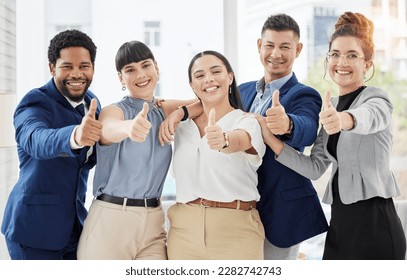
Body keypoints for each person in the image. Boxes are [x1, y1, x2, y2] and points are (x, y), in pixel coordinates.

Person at [257, 12, 406, 260]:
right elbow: (315, 167)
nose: (342, 62)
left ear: (367, 64)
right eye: (335, 54)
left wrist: (343, 120)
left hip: (376, 224)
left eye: (352, 55)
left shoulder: (376, 98)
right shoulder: (331, 106)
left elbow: (369, 118)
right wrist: (270, 138)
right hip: (340, 224)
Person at [77, 40, 196, 260]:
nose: (140, 74)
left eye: (145, 65)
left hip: (154, 221)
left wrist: (180, 113)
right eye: (130, 70)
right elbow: (109, 129)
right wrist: (130, 128)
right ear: (121, 78)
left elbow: (206, 102)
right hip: (111, 221)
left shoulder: (163, 108)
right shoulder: (114, 111)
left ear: (156, 68)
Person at [1, 29, 102, 260]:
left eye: (84, 66)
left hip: (75, 228)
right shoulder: (36, 101)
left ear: (93, 68)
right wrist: (75, 135)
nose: (76, 74)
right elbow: (35, 138)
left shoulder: (92, 104)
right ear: (52, 68)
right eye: (67, 66)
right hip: (33, 230)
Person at [238, 14, 328, 259]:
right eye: (270, 45)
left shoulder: (304, 95)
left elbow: (307, 127)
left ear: (297, 50)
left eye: (285, 47)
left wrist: (287, 124)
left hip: (281, 211)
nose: (276, 54)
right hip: (242, 210)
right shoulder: (241, 91)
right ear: (260, 46)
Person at [166, 50, 266, 260]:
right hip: (183, 231)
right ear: (192, 86)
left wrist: (224, 140)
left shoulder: (247, 121)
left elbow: (241, 139)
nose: (208, 79)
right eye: (199, 75)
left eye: (215, 71)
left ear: (230, 77)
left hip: (236, 232)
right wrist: (180, 112)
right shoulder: (182, 127)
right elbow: (152, 103)